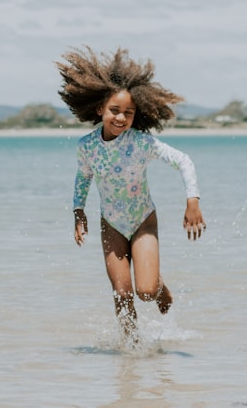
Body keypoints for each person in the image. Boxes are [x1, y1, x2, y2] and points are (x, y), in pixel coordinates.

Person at [57, 46, 206, 338]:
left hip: (142, 221)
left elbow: (183, 161)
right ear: (100, 109)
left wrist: (192, 201)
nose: (121, 118)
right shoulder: (86, 146)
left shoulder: (141, 143)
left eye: (129, 112)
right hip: (111, 224)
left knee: (146, 292)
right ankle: (130, 353)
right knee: (122, 294)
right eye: (114, 111)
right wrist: (78, 213)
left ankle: (159, 286)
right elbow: (83, 178)